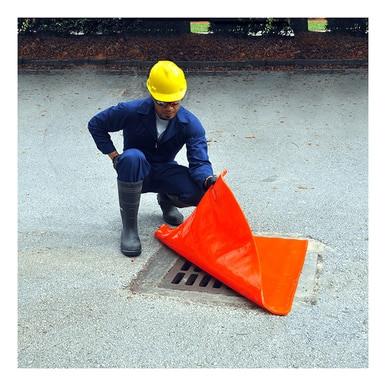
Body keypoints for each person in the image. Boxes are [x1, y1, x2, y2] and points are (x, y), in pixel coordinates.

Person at [88, 60, 217, 257]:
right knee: (132, 157)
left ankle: (166, 200)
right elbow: (96, 124)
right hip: (135, 170)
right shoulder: (131, 111)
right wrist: (114, 156)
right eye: (163, 103)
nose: (170, 109)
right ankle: (129, 228)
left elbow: (199, 162)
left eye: (175, 103)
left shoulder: (191, 124)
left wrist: (208, 180)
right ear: (152, 96)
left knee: (200, 191)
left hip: (165, 169)